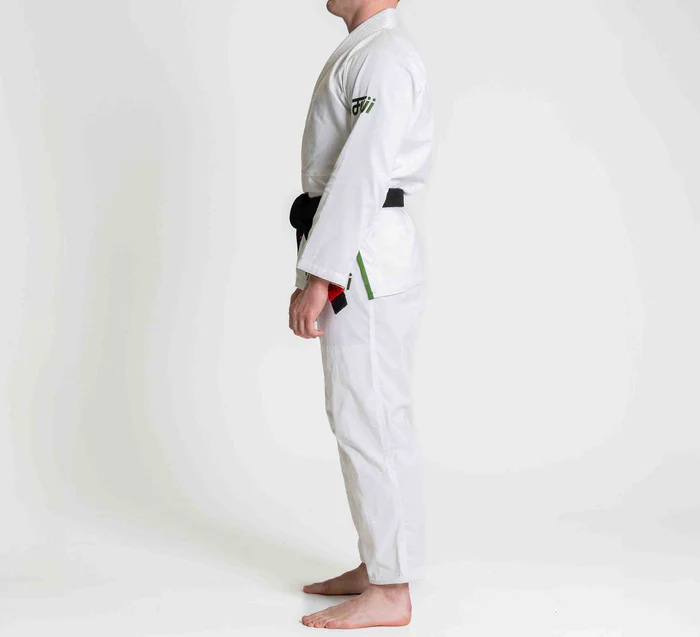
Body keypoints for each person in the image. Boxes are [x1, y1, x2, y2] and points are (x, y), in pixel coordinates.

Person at [288, 0, 433, 629]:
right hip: (361, 252)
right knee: (361, 414)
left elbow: (362, 175)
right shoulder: (370, 52)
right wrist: (314, 271)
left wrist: (321, 278)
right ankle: (380, 565)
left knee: (371, 417)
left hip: (364, 260)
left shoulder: (385, 58)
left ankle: (391, 589)